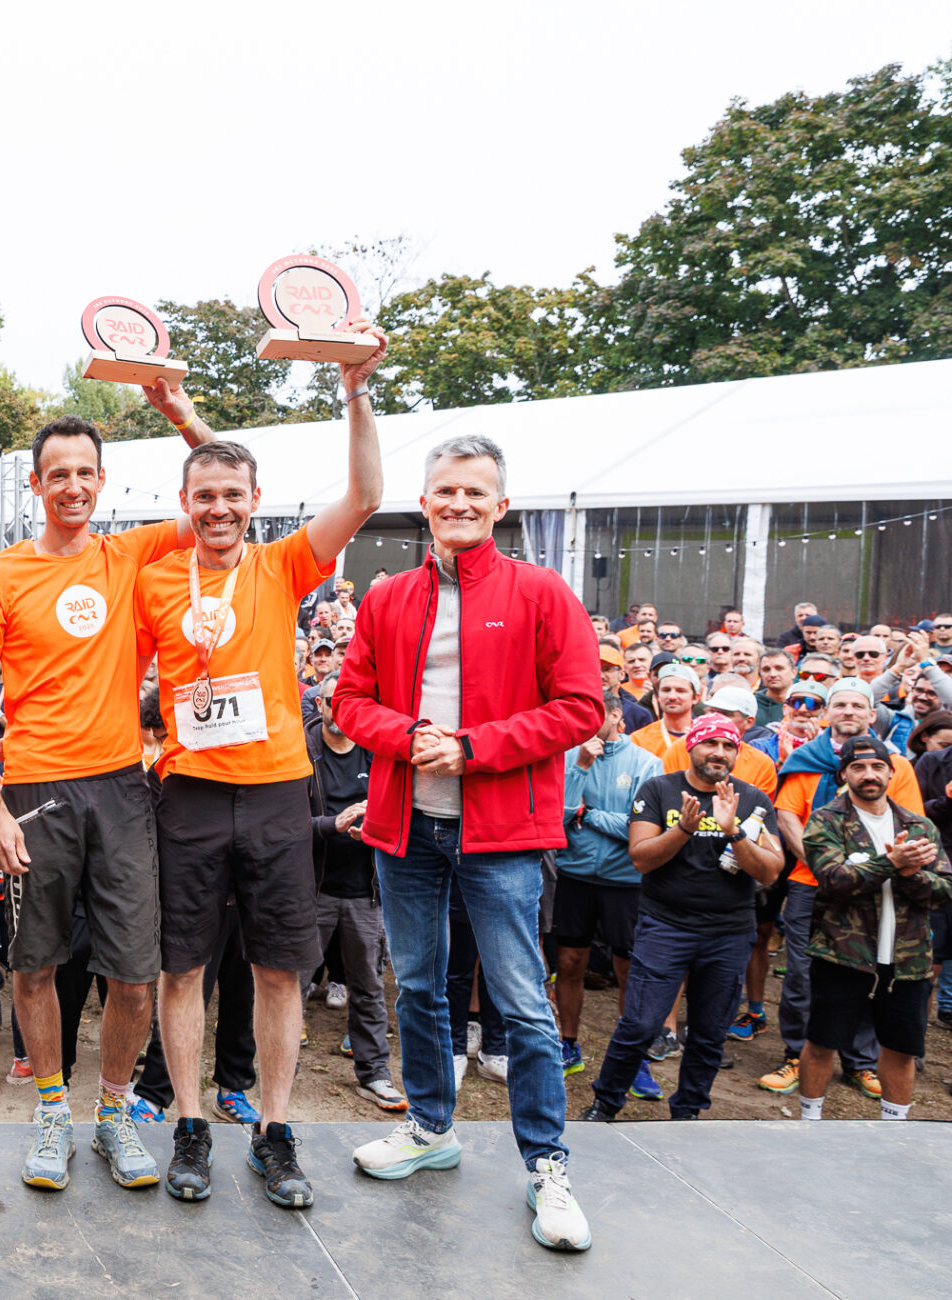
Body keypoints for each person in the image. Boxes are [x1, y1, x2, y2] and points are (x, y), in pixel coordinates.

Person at [335, 433, 601, 1253]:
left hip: (504, 831)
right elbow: (348, 700)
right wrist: (410, 734)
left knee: (521, 1001)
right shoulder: (386, 600)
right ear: (424, 502)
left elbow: (582, 708)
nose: (458, 504)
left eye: (474, 493)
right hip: (406, 825)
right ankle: (429, 1128)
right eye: (444, 491)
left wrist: (475, 748)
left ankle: (548, 1166)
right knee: (415, 986)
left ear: (500, 506)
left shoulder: (542, 594)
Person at [137, 330, 383, 1209]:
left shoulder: (283, 565)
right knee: (183, 968)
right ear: (184, 501)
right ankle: (190, 1124)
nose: (217, 508)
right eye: (203, 495)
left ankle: (275, 1130)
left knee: (279, 967)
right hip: (190, 794)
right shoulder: (158, 579)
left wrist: (354, 389)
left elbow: (365, 494)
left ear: (255, 502)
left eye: (232, 495)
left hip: (279, 790)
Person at [0, 380, 219, 1195]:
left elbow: (222, 491)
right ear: (35, 485)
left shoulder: (131, 554)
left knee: (135, 972)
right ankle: (49, 1109)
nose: (73, 485)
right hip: (36, 787)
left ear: (101, 481)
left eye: (85, 472)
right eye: (57, 473)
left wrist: (178, 409)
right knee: (34, 965)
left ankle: (110, 1113)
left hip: (119, 787)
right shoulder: (0, 575)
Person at [578, 715, 783, 1122]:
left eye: (729, 746)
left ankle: (688, 1112)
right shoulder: (659, 790)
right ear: (691, 746)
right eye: (711, 744)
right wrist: (684, 829)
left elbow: (771, 870)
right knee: (639, 1024)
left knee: (708, 1034)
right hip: (665, 927)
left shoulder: (753, 799)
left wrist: (735, 833)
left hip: (728, 932)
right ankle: (606, 1104)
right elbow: (641, 857)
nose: (719, 753)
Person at [760, 676, 921, 1099]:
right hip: (811, 886)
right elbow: (788, 816)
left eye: (857, 705)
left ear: (872, 714)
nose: (848, 712)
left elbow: (908, 822)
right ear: (827, 712)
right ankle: (798, 1053)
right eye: (840, 705)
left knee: (870, 973)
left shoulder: (896, 765)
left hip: (876, 890)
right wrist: (823, 863)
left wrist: (867, 869)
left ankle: (860, 1061)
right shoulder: (806, 758)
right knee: (802, 974)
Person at [795, 735, 951, 1121]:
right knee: (821, 1042)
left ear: (891, 772)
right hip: (842, 954)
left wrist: (913, 875)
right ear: (844, 773)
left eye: (877, 766)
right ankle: (809, 1124)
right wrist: (892, 862)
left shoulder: (918, 825)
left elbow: (945, 890)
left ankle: (894, 1129)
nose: (869, 774)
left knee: (901, 1047)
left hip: (907, 959)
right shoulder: (826, 820)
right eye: (859, 767)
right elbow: (833, 879)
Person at [308, 671, 406, 1113]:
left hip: (365, 892)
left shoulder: (377, 752)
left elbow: (403, 810)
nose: (339, 710)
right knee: (287, 988)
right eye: (331, 702)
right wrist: (333, 824)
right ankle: (275, 1073)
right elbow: (284, 825)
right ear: (321, 706)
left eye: (347, 702)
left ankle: (374, 1074)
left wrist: (376, 825)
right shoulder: (303, 753)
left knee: (367, 987)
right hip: (311, 891)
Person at [554, 689, 662, 1079]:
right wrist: (581, 767)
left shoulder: (647, 763)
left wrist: (593, 814)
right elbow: (558, 818)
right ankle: (568, 1042)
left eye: (594, 713)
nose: (585, 720)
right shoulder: (569, 756)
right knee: (569, 962)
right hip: (574, 875)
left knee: (628, 967)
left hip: (626, 880)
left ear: (617, 716)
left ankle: (634, 1056)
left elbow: (641, 827)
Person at [629, 662, 698, 759]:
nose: (672, 697)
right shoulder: (639, 739)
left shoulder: (707, 738)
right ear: (657, 696)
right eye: (666, 690)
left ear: (695, 698)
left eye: (680, 691)